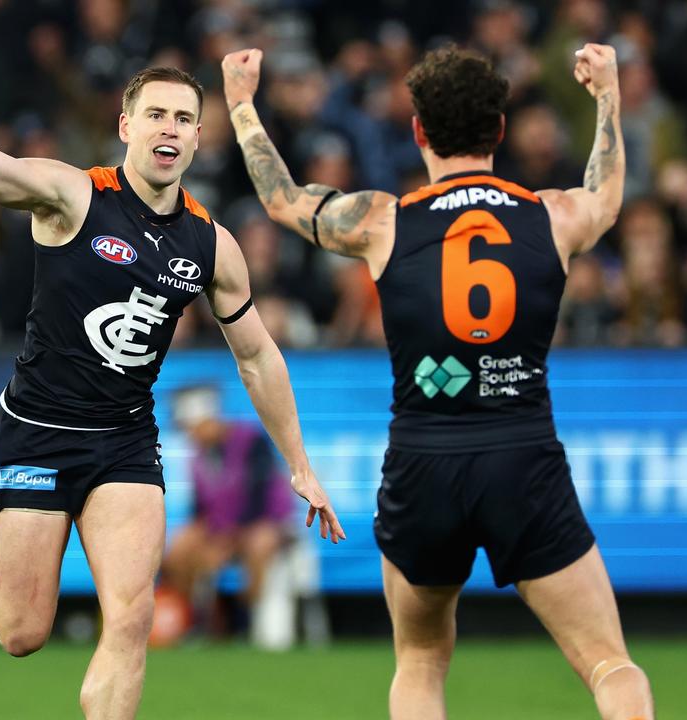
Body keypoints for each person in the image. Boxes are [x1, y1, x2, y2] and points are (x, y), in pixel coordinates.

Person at [0, 10, 344, 720]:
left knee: (132, 615)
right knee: (23, 632)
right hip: (37, 429)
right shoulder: (71, 195)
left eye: (184, 118)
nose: (170, 129)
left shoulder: (213, 247)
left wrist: (299, 462)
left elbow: (258, 358)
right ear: (126, 127)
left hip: (124, 443)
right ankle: (5, 573)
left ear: (200, 138)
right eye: (156, 115)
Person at [223, 44, 654, 719]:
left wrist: (243, 104)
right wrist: (608, 93)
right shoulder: (554, 215)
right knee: (610, 663)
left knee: (420, 663)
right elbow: (607, 193)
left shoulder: (384, 221)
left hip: (424, 462)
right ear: (501, 131)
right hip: (522, 456)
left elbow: (282, 202)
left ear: (418, 131)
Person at [160, 384, 293, 635]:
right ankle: (193, 620)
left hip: (264, 522)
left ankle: (246, 619)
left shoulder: (250, 440)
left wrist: (227, 540)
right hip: (221, 527)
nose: (191, 435)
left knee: (258, 543)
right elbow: (199, 508)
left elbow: (259, 498)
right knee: (179, 548)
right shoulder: (198, 455)